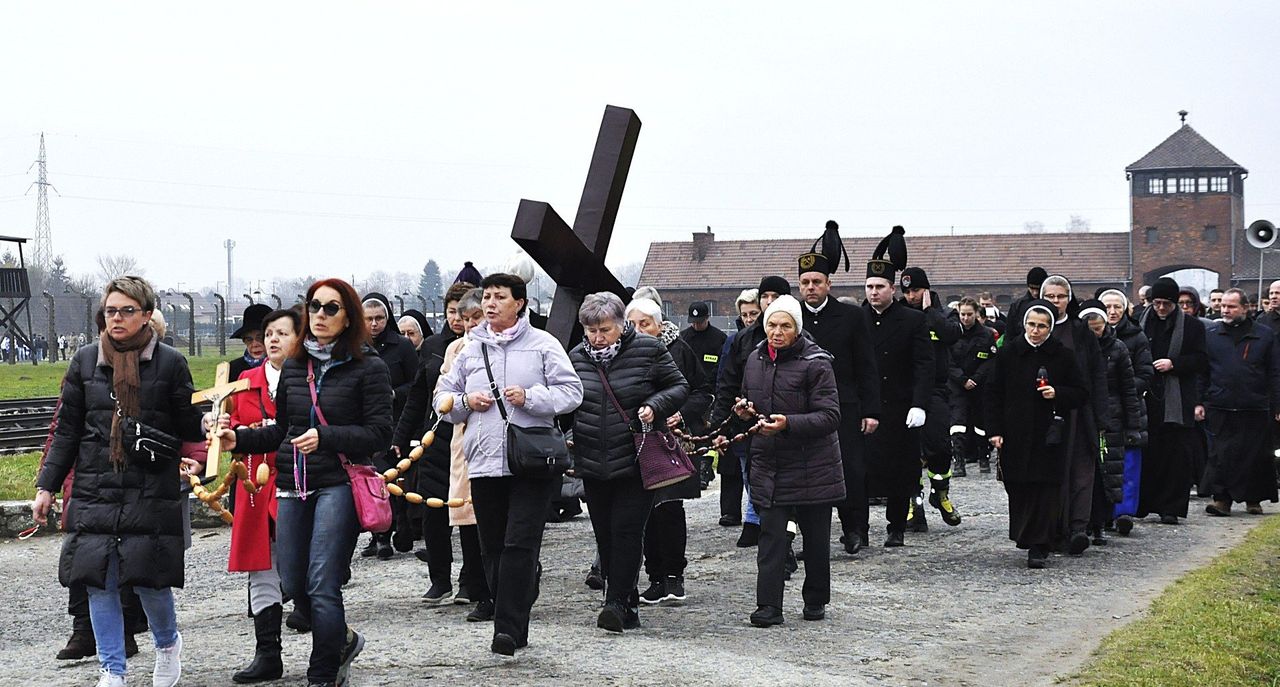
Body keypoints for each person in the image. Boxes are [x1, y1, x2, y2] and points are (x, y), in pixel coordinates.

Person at [216, 278, 393, 687]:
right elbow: (283, 429)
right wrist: (238, 440)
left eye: (331, 308)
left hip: (338, 484)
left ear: (348, 316)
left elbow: (380, 433)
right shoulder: (297, 366)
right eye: (314, 306)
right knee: (294, 582)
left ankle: (322, 672)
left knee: (322, 581)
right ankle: (343, 640)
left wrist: (326, 437)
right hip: (293, 483)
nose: (320, 315)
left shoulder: (369, 367)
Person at [33, 276, 205, 687]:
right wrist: (46, 487)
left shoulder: (170, 363)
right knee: (99, 581)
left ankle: (167, 644)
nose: (117, 318)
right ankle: (112, 670)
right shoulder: (84, 361)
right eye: (111, 310)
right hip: (95, 486)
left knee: (148, 580)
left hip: (150, 485)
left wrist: (208, 429)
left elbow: (188, 424)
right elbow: (66, 431)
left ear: (146, 315)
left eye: (127, 310)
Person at [435, 273, 583, 656]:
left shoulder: (543, 344)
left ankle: (506, 629)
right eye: (487, 296)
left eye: (499, 297)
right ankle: (521, 593)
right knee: (493, 548)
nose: (490, 303)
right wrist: (466, 402)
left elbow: (572, 392)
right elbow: (443, 398)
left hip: (531, 461)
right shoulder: (470, 349)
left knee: (520, 542)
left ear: (519, 303)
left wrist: (531, 398)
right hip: (484, 461)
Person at [570, 292, 689, 632]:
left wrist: (655, 405)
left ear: (621, 325)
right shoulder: (576, 357)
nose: (598, 338)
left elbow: (679, 386)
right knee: (605, 534)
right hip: (593, 458)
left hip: (636, 456)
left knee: (626, 530)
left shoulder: (649, 350)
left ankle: (615, 602)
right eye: (591, 331)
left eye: (605, 330)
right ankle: (628, 602)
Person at [731, 294, 843, 626]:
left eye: (785, 326)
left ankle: (816, 599)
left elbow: (830, 416)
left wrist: (789, 424)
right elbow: (748, 399)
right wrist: (744, 412)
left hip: (813, 465)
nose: (777, 333)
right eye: (772, 326)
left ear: (797, 329)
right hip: (771, 463)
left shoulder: (817, 363)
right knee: (770, 539)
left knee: (816, 540)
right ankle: (769, 605)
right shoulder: (755, 359)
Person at [225, 307, 302, 684]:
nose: (271, 340)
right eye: (267, 334)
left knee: (306, 568)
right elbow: (232, 424)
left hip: (298, 478)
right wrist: (220, 426)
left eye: (280, 333)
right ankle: (267, 653)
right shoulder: (244, 381)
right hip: (254, 486)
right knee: (261, 566)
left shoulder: (308, 378)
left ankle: (336, 642)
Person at [796, 225, 882, 553]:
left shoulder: (851, 316)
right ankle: (812, 538)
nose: (811, 287)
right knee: (808, 474)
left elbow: (866, 366)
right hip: (803, 408)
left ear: (828, 284)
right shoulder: (792, 317)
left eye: (817, 282)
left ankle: (855, 529)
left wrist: (871, 410)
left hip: (845, 406)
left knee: (850, 468)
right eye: (805, 282)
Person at [984, 302, 1089, 568]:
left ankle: (1040, 544)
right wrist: (994, 430)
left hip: (1049, 434)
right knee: (1018, 485)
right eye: (1031, 325)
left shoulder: (1063, 356)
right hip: (1015, 432)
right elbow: (993, 393)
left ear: (1050, 328)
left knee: (1045, 489)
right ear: (1024, 325)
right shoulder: (1008, 353)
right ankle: (1025, 534)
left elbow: (1081, 392)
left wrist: (1058, 393)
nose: (1035, 330)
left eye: (1042, 326)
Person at [624, 296, 710, 607]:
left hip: (670, 440)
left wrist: (681, 413)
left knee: (669, 508)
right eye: (632, 324)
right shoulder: (622, 353)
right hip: (636, 440)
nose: (638, 330)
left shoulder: (678, 349)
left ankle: (674, 574)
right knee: (643, 511)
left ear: (659, 326)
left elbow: (703, 390)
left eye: (644, 324)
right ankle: (654, 576)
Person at [391, 282, 473, 604]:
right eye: (452, 311)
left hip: (467, 438)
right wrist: (401, 436)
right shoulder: (433, 346)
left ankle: (470, 581)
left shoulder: (481, 346)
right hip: (435, 437)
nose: (457, 319)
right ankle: (440, 579)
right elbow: (418, 394)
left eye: (463, 313)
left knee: (468, 512)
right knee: (432, 511)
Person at [862, 226, 933, 547]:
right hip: (867, 406)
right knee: (861, 471)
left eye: (880, 286)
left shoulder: (912, 320)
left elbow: (924, 365)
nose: (874, 292)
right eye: (869, 286)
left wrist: (919, 403)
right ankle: (858, 529)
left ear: (893, 288)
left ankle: (896, 527)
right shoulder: (856, 318)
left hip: (901, 405)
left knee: (901, 470)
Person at [711, 277, 791, 540]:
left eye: (775, 296)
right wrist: (720, 427)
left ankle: (781, 527)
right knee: (751, 474)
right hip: (748, 423)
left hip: (788, 422)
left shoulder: (801, 338)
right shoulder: (742, 340)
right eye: (765, 296)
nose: (769, 301)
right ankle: (757, 521)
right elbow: (727, 384)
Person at [435, 288, 494, 622]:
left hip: (499, 440)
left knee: (496, 518)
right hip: (465, 440)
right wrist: (461, 402)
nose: (470, 324)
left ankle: (507, 585)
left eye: (476, 317)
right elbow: (443, 396)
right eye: (465, 318)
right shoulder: (455, 350)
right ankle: (479, 589)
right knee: (468, 518)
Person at [1039, 276, 1108, 554]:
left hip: (1079, 411)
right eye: (1050, 296)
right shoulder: (1034, 328)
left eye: (1061, 296)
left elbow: (1097, 374)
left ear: (1069, 299)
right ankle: (1051, 529)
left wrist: (1101, 416)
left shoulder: (1081, 331)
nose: (1056, 301)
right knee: (1049, 472)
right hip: (1043, 413)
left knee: (1081, 470)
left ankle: (1078, 527)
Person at [1200, 289, 1280, 516]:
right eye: (1223, 306)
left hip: (1254, 404)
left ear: (1245, 308)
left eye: (1231, 306)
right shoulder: (1212, 334)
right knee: (1221, 455)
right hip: (1220, 402)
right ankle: (1221, 499)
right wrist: (1200, 401)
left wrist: (1277, 404)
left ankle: (1253, 499)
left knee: (1255, 455)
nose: (1225, 310)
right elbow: (1203, 372)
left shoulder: (1264, 335)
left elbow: (1274, 372)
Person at [1137, 277, 1208, 525]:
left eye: (1166, 304)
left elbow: (1201, 360)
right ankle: (1143, 504)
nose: (1160, 308)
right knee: (1148, 455)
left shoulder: (1192, 326)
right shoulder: (1141, 322)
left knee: (1176, 457)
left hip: (1177, 400)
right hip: (1147, 397)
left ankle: (1171, 508)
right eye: (1156, 303)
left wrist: (1174, 364)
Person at [900, 266, 963, 529]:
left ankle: (940, 492)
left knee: (940, 446)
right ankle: (913, 503)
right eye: (907, 292)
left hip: (937, 388)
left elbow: (952, 334)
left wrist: (929, 312)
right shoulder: (899, 314)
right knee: (908, 450)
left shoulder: (945, 313)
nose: (911, 296)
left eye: (916, 290)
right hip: (906, 389)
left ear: (926, 290)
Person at [360, 291, 420, 560]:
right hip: (366, 424)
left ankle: (400, 525)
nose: (374, 324)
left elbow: (417, 384)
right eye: (369, 319)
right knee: (372, 479)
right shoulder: (355, 347)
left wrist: (394, 393)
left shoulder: (402, 346)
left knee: (395, 478)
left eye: (379, 318)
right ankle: (379, 535)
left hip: (396, 422)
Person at [1079, 300, 1145, 545]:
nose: (1095, 334)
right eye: (1090, 330)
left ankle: (1102, 522)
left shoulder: (1118, 348)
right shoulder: (1076, 348)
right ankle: (1083, 521)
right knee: (1085, 474)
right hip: (1083, 415)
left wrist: (1133, 425)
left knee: (1109, 472)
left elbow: (1128, 389)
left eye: (1098, 329)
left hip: (1111, 417)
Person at [715, 288, 762, 530]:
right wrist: (720, 423)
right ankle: (750, 516)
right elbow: (724, 380)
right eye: (744, 314)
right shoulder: (734, 341)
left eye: (753, 313)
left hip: (761, 411)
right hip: (739, 412)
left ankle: (757, 518)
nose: (749, 319)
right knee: (743, 468)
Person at [949, 297, 999, 477]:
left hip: (979, 385)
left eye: (969, 314)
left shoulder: (986, 334)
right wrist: (962, 379)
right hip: (957, 385)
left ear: (976, 314)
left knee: (980, 423)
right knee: (958, 424)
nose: (966, 318)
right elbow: (947, 360)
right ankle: (958, 461)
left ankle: (983, 457)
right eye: (963, 314)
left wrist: (976, 378)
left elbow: (991, 360)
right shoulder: (952, 333)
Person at [679, 301, 726, 488]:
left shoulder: (719, 338)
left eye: (700, 322)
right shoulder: (684, 338)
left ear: (707, 318)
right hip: (691, 393)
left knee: (708, 430)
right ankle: (698, 468)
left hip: (712, 391)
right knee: (694, 431)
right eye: (693, 322)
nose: (696, 325)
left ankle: (706, 466)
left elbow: (721, 366)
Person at [229, 303, 273, 382]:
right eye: (249, 339)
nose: (254, 344)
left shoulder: (284, 367)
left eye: (260, 338)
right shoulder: (233, 369)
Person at [1005, 266, 1049, 342]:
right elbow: (1009, 334)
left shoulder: (1051, 304)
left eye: (1038, 289)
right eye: (1032, 288)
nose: (1035, 293)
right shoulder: (1017, 306)